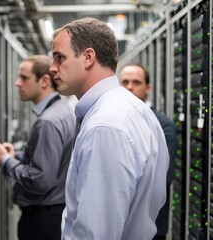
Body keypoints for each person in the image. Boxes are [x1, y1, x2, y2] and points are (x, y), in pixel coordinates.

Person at [49, 17, 169, 240]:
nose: (52, 67)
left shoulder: (104, 126)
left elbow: (96, 233)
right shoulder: (135, 110)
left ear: (88, 57)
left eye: (59, 57)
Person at [0, 55, 75, 240]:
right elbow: (52, 159)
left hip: (42, 220)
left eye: (24, 78)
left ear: (44, 81)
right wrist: (17, 156)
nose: (17, 83)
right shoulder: (61, 112)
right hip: (55, 214)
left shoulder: (47, 122)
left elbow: (40, 180)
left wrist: (5, 161)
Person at [120, 63, 177, 240]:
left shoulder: (163, 125)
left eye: (136, 82)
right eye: (125, 82)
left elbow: (163, 176)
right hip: (120, 221)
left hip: (150, 224)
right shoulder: (116, 121)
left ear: (148, 87)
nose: (130, 87)